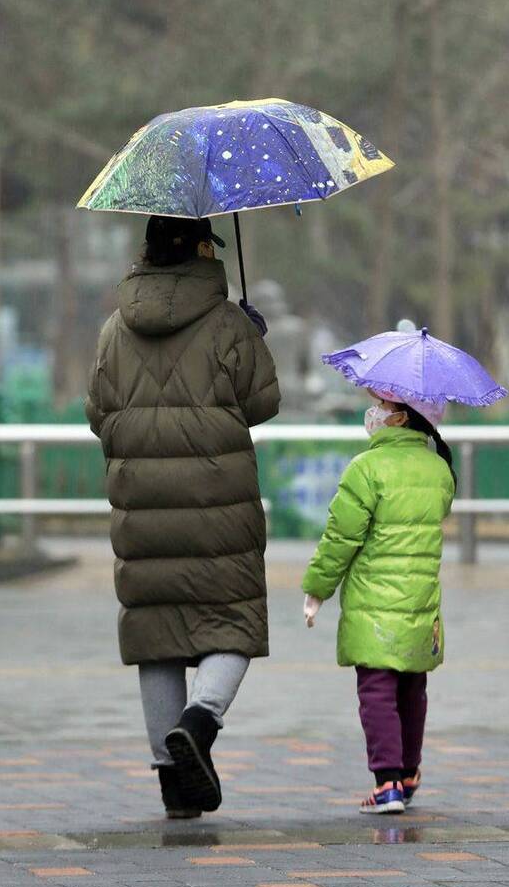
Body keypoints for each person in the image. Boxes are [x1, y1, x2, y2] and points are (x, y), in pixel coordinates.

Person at [85, 215, 280, 819]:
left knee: (157, 635)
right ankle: (200, 722)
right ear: (201, 251)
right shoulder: (226, 324)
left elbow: (98, 413)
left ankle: (174, 788)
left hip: (141, 508)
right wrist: (253, 336)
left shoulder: (115, 329)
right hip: (219, 505)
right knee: (233, 623)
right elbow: (262, 403)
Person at [301, 390, 455, 814]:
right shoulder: (440, 471)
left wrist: (317, 589)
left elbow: (340, 538)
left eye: (384, 406)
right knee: (412, 689)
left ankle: (386, 783)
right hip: (421, 605)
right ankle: (407, 774)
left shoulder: (366, 470)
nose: (376, 412)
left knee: (377, 692)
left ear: (402, 418)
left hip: (374, 606)